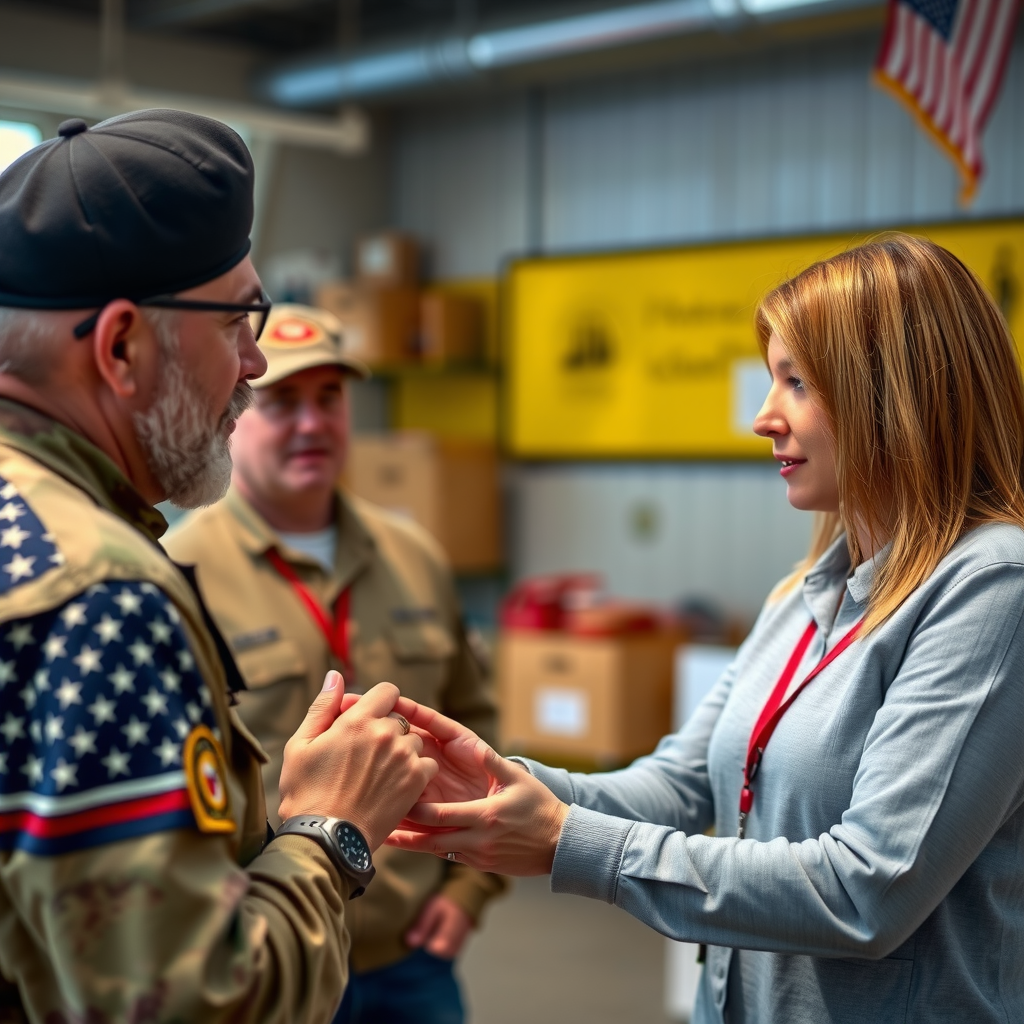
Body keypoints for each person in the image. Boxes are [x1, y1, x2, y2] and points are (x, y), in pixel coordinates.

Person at [386, 233, 1024, 1023]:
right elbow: (681, 784)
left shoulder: (991, 587)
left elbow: (866, 891)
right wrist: (491, 781)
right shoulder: (807, 593)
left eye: (798, 382)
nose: (763, 418)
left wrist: (568, 842)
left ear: (895, 393)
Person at [0, 110, 437, 1023]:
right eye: (237, 319)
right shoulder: (99, 598)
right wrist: (330, 832)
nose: (255, 361)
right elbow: (194, 1004)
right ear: (122, 347)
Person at [164, 302, 506, 1024]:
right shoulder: (175, 575)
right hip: (268, 959)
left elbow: (476, 727)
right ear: (234, 408)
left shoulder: (413, 555)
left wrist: (469, 892)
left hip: (410, 956)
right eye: (284, 401)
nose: (312, 423)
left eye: (330, 398)